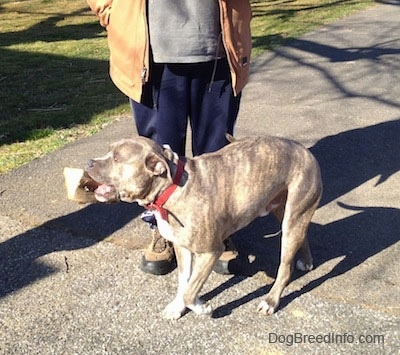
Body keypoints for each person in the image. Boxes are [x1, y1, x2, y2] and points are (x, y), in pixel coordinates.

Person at [87, 0, 252, 275]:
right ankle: (162, 227)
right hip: (150, 51)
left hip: (220, 44)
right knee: (154, 162)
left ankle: (216, 228)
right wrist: (111, 13)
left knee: (217, 158)